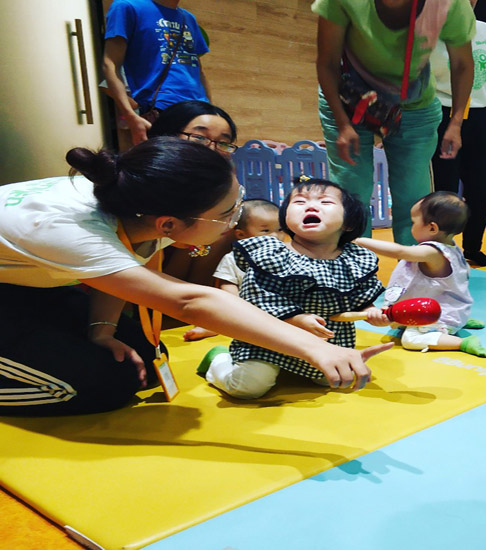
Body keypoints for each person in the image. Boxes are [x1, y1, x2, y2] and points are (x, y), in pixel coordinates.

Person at [0, 138, 390, 416]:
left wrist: (102, 331)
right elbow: (190, 301)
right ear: (168, 224)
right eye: (226, 213)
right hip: (14, 288)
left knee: (141, 364)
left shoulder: (136, 200)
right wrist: (316, 349)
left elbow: (118, 268)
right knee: (97, 388)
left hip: (29, 284)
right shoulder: (69, 232)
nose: (236, 219)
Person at [199, 177, 390, 399]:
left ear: (348, 222)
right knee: (248, 388)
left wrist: (371, 312)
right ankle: (218, 359)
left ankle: (294, 368)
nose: (310, 206)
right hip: (269, 338)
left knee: (333, 381)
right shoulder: (273, 254)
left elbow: (361, 296)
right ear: (286, 219)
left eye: (325, 202)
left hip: (325, 341)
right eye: (299, 202)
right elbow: (257, 296)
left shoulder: (354, 259)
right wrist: (296, 318)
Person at [314, 0, 476, 246]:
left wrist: (456, 122)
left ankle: (414, 267)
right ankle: (355, 266)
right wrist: (343, 124)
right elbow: (327, 62)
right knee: (351, 194)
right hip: (348, 99)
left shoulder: (450, 3)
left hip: (414, 104)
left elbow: (463, 63)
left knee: (414, 198)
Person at [355, 192, 486, 358]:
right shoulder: (451, 247)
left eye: (413, 222)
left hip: (436, 315)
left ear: (432, 228)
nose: (411, 227)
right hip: (450, 309)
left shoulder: (432, 252)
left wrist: (359, 241)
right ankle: (456, 321)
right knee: (404, 324)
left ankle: (462, 342)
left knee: (411, 339)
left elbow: (401, 251)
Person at [429, 0, 486, 266]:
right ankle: (443, 251)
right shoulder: (430, 28)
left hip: (479, 114)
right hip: (442, 110)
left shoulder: (485, 29)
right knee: (445, 189)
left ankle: (473, 248)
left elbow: (485, 74)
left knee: (480, 189)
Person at [147, 100, 241, 291]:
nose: (211, 148)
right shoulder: (148, 175)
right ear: (167, 135)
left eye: (223, 143)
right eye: (199, 138)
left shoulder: (221, 180)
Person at [103, 0, 212, 145]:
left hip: (201, 109)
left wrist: (212, 110)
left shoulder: (188, 18)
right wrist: (130, 115)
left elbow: (199, 70)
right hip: (162, 109)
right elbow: (110, 63)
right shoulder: (128, 6)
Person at [183, 199, 283, 342]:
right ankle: (214, 328)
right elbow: (227, 286)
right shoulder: (233, 259)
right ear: (241, 235)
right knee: (220, 309)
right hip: (245, 310)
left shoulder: (288, 254)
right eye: (265, 231)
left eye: (279, 230)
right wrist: (238, 307)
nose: (275, 236)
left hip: (281, 308)